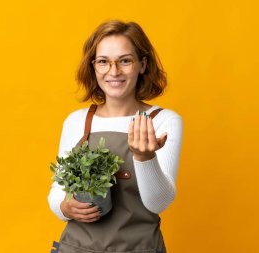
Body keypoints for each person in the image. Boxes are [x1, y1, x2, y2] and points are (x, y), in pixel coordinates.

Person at [48, 20, 183, 253]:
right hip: (76, 248)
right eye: (103, 62)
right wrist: (65, 208)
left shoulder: (163, 121)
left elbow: (158, 203)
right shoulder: (77, 121)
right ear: (93, 67)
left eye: (125, 61)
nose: (113, 71)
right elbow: (57, 193)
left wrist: (144, 156)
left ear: (142, 64)